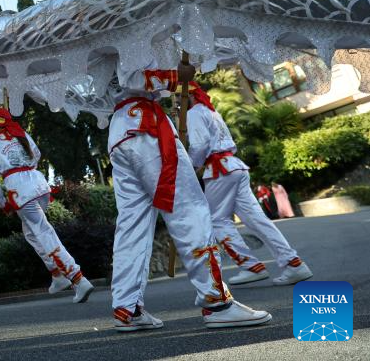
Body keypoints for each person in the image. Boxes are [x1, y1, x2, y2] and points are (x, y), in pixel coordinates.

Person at [108, 68, 271, 332]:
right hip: (148, 129)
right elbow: (135, 77)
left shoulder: (95, 49)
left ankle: (127, 308)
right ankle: (217, 303)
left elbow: (122, 84)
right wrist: (178, 76)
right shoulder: (128, 38)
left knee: (132, 225)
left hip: (120, 132)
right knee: (189, 211)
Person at [185, 82, 312, 286]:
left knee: (217, 220)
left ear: (186, 96)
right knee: (257, 219)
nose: (174, 103)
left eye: (176, 98)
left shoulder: (193, 113)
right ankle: (293, 264)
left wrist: (189, 165)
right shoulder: (212, 112)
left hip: (220, 170)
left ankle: (250, 266)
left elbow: (200, 146)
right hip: (235, 167)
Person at [0, 108, 93, 303]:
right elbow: (37, 155)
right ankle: (57, 274)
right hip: (40, 187)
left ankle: (77, 278)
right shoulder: (21, 134)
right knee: (32, 233)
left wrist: (0, 202)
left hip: (22, 192)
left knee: (43, 232)